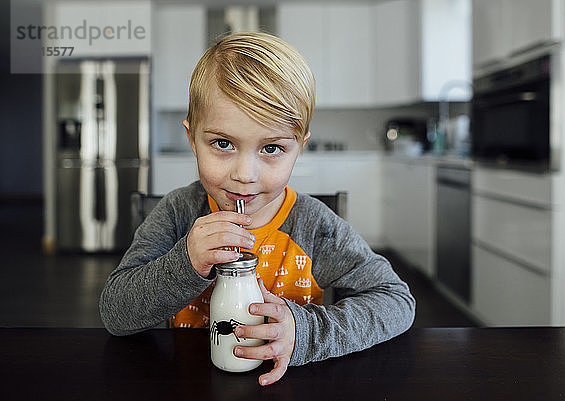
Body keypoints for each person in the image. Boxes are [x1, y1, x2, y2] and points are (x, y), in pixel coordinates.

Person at [99, 32, 415, 386]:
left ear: (300, 147)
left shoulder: (313, 226)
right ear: (192, 139)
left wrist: (306, 331)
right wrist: (185, 261)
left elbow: (396, 301)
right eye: (222, 143)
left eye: (272, 148)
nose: (244, 175)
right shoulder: (178, 214)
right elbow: (115, 312)